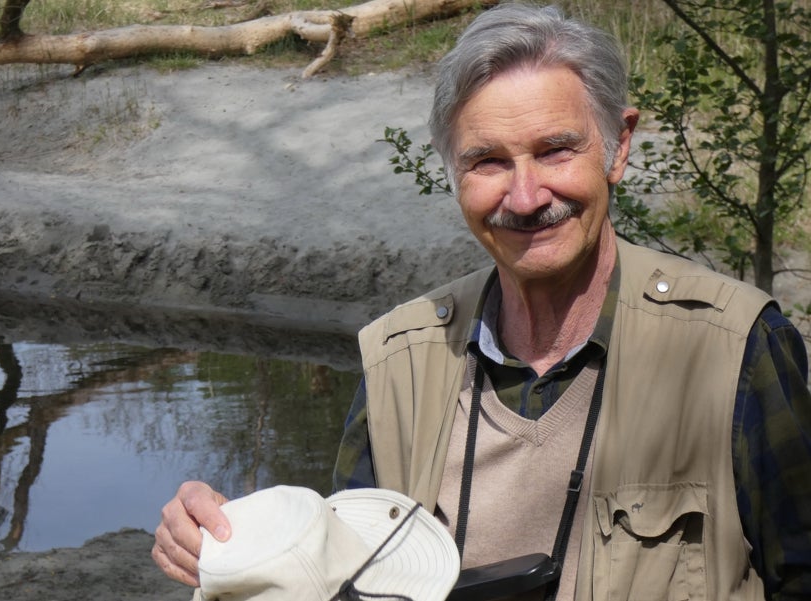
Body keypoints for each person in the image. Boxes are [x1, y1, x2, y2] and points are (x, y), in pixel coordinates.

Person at [154, 3, 811, 599]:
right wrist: (232, 543)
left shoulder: (735, 349)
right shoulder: (399, 360)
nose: (525, 197)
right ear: (451, 171)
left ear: (620, 146)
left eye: (555, 149)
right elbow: (338, 576)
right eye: (488, 161)